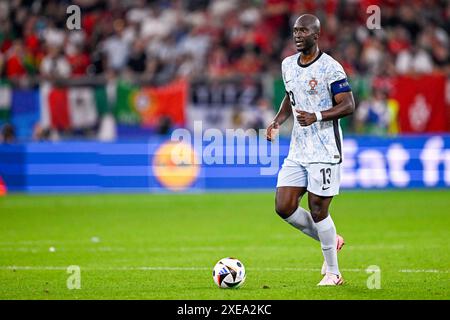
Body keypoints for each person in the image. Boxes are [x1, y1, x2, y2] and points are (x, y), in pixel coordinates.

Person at [266, 14, 355, 286]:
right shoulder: (287, 65)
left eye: (303, 31)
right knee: (284, 206)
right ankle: (330, 238)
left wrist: (316, 116)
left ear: (316, 35)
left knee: (318, 210)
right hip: (298, 149)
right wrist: (278, 120)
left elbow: (349, 104)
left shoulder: (331, 68)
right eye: (294, 30)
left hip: (325, 150)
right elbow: (290, 95)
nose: (297, 35)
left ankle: (333, 273)